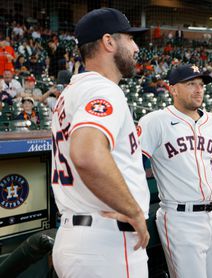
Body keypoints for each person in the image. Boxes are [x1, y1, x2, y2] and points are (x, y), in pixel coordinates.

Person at [51, 8, 150, 278]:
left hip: (77, 238)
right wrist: (134, 212)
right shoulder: (104, 89)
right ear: (109, 42)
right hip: (108, 241)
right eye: (129, 39)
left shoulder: (71, 92)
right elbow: (86, 154)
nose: (135, 47)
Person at [138, 64, 212, 278]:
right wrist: (136, 211)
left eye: (201, 84)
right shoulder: (155, 121)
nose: (199, 89)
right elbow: (133, 167)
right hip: (181, 219)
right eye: (191, 84)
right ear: (173, 89)